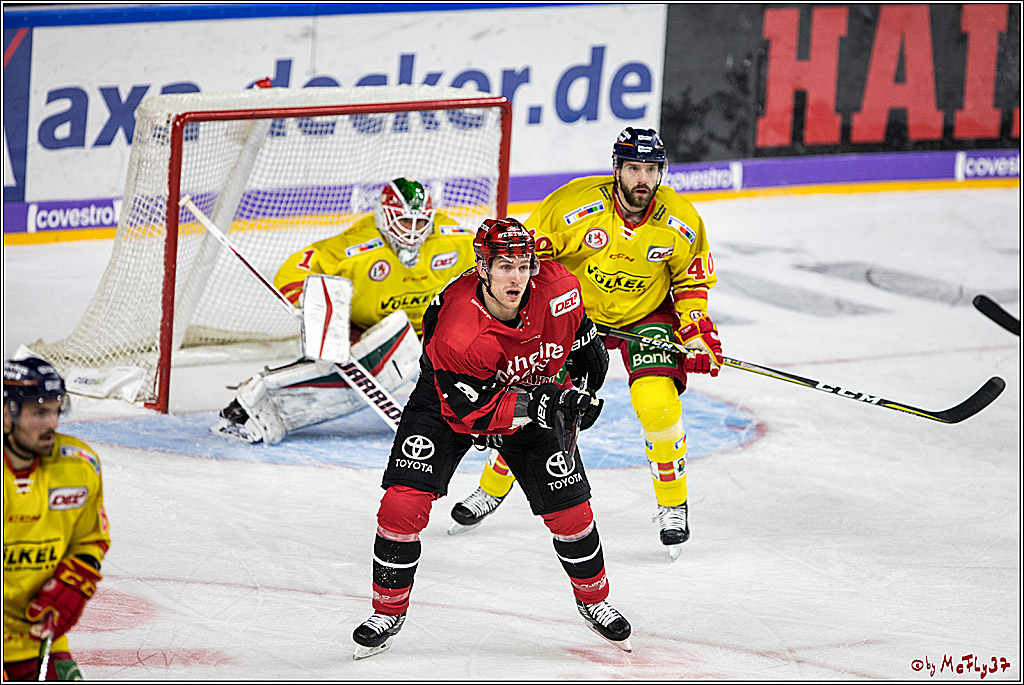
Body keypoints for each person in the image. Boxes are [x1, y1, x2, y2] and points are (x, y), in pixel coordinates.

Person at [350, 218, 627, 660]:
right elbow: (472, 410)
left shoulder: (559, 288)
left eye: (523, 265)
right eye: (504, 267)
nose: (516, 277)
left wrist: (583, 380)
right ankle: (388, 611)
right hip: (448, 403)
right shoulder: (460, 332)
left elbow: (580, 338)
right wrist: (546, 403)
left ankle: (595, 601)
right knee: (403, 505)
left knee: (573, 513)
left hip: (533, 392)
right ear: (483, 268)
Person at [449, 128, 723, 560]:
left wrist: (695, 330)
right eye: (633, 168)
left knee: (658, 403)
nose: (641, 179)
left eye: (650, 170)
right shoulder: (573, 206)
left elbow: (691, 278)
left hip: (645, 317)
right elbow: (528, 261)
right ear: (617, 168)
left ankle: (673, 505)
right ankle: (491, 489)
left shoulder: (681, 220)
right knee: (542, 405)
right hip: (576, 319)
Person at [211, 177, 479, 444]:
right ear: (385, 218)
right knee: (344, 375)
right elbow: (294, 271)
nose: (413, 231)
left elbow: (492, 269)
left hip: (433, 329)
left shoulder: (453, 240)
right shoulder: (357, 248)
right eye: (404, 221)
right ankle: (251, 402)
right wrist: (310, 307)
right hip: (374, 331)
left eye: (420, 222)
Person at [3, 357, 111, 681]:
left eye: (55, 410)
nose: (52, 423)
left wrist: (70, 587)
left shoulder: (79, 467)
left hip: (37, 640)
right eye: (39, 412)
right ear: (6, 414)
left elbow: (90, 540)